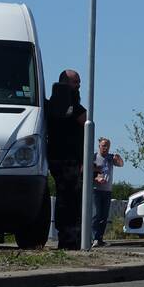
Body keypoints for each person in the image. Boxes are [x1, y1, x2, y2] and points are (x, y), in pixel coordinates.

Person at [46, 70, 87, 250]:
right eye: (75, 82)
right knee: (69, 199)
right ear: (65, 82)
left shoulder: (59, 104)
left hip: (61, 157)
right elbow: (84, 120)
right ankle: (70, 238)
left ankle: (69, 237)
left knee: (67, 198)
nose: (78, 85)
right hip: (66, 159)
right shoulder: (64, 104)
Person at [92, 137, 124, 247]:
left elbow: (120, 164)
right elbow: (86, 172)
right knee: (96, 215)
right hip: (96, 190)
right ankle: (93, 238)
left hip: (107, 190)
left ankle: (100, 239)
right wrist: (96, 178)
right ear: (99, 146)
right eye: (104, 145)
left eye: (107, 146)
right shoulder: (94, 157)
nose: (106, 148)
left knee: (104, 216)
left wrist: (119, 158)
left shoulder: (110, 158)